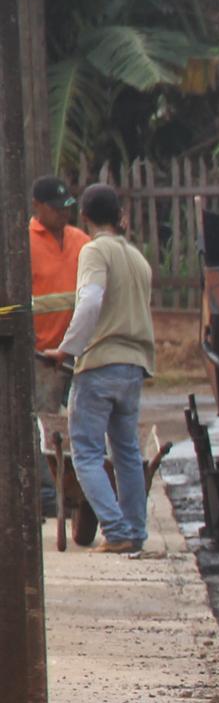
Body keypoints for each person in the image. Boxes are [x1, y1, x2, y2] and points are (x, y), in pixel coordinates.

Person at [36, 184, 156, 555]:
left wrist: (66, 349)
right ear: (120, 215)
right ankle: (135, 532)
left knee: (86, 452)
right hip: (134, 366)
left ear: (85, 216)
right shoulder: (137, 258)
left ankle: (117, 530)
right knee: (127, 454)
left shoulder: (93, 250)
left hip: (100, 363)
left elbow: (89, 302)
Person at [25, 177, 87, 520]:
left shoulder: (80, 241)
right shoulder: (23, 243)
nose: (63, 214)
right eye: (56, 208)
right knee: (45, 425)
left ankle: (80, 491)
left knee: (82, 424)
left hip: (79, 350)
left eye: (67, 208)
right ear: (37, 205)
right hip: (43, 354)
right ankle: (49, 493)